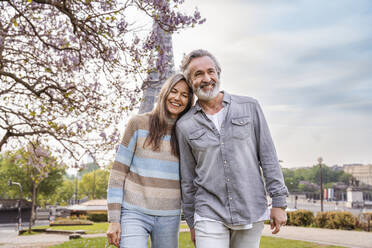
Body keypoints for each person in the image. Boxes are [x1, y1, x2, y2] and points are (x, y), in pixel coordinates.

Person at [176, 49, 289, 248]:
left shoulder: (249, 107)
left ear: (218, 74)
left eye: (211, 71)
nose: (207, 78)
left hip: (250, 207)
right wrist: (192, 222)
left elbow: (268, 156)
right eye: (198, 74)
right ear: (190, 82)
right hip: (208, 211)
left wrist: (279, 202)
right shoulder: (184, 125)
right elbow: (188, 179)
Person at [106, 73, 194, 248]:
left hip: (170, 216)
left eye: (184, 95)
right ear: (164, 93)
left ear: (189, 101)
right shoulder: (137, 124)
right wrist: (114, 219)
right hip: (134, 213)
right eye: (174, 91)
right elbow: (118, 174)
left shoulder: (187, 133)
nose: (177, 98)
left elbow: (191, 181)